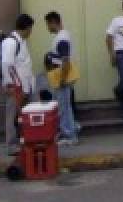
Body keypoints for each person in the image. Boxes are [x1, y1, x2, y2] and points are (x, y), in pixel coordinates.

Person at [0, 14, 35, 156]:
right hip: (15, 87)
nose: (31, 32)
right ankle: (11, 144)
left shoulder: (21, 41)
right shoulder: (11, 42)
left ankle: (23, 141)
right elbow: (6, 64)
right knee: (12, 116)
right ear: (26, 28)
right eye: (31, 28)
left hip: (24, 86)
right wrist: (9, 84)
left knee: (21, 116)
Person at [44, 11, 80, 146]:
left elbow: (65, 61)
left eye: (48, 24)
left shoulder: (61, 39)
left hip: (62, 78)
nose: (47, 28)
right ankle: (71, 130)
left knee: (64, 108)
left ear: (53, 22)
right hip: (61, 77)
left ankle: (70, 135)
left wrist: (62, 79)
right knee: (65, 106)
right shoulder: (63, 36)